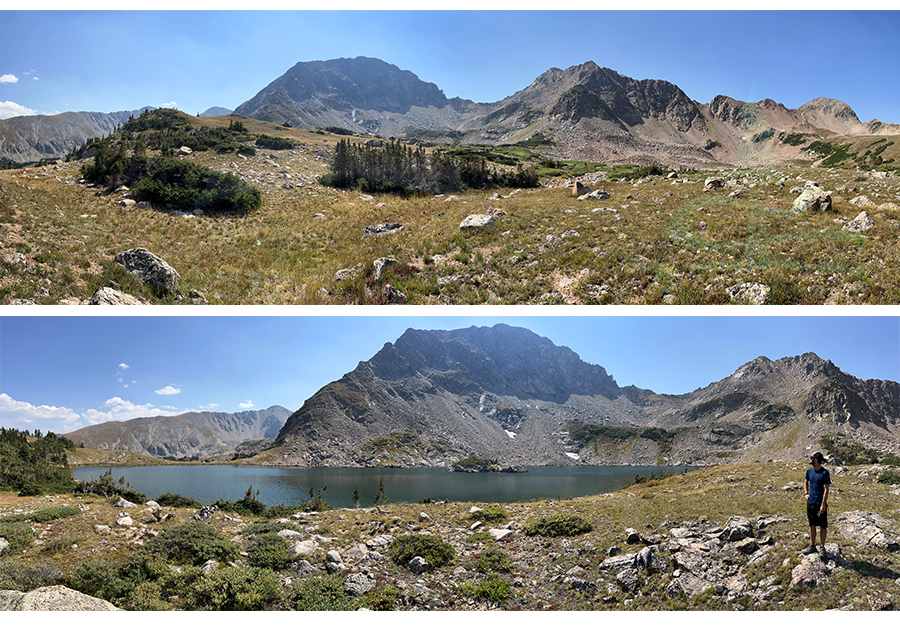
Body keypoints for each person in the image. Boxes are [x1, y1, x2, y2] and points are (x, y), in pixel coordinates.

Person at [803, 451, 831, 556]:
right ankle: (812, 545)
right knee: (812, 524)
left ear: (816, 460)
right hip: (811, 503)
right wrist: (806, 493)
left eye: (811, 458)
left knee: (823, 526)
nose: (809, 459)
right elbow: (805, 481)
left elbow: (826, 489)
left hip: (820, 503)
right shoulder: (809, 471)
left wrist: (823, 504)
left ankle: (822, 547)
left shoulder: (825, 473)